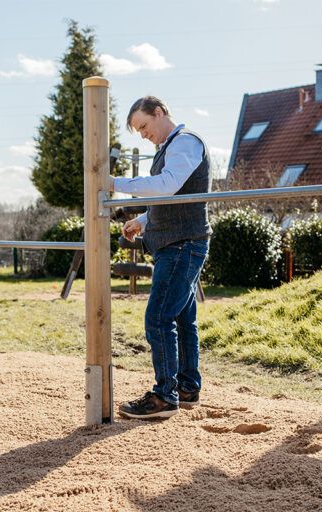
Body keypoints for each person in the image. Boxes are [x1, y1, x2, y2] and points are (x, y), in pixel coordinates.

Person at [110, 96, 212, 420]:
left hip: (182, 244)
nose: (143, 134)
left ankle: (165, 396)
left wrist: (113, 183)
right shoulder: (169, 148)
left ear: (159, 112)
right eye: (138, 131)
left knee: (158, 318)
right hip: (180, 242)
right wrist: (142, 221)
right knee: (182, 319)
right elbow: (172, 197)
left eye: (143, 126)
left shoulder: (185, 143)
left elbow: (167, 186)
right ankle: (186, 388)